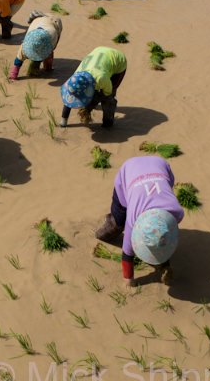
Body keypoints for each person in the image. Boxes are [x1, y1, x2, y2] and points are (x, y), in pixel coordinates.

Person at [95, 156, 184, 287]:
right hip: (128, 174)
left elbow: (166, 236)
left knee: (158, 239)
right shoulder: (133, 220)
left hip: (160, 166)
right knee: (118, 221)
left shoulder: (176, 211)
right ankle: (109, 222)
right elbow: (127, 253)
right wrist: (129, 280)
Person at [60, 46, 127, 128]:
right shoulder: (75, 78)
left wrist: (91, 105)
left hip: (117, 60)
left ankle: (108, 123)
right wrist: (63, 121)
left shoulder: (101, 78)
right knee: (85, 94)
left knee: (108, 99)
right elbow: (69, 98)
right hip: (98, 51)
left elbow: (108, 95)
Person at [8, 10, 63, 81]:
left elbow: (51, 49)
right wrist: (13, 75)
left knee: (49, 55)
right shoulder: (25, 46)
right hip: (37, 21)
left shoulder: (53, 34)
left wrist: (48, 66)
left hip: (54, 21)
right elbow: (18, 60)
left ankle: (48, 67)